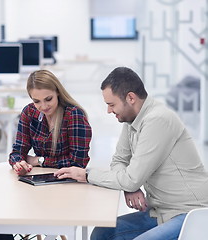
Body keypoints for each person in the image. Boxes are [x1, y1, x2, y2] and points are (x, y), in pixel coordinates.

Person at [54, 67, 208, 240]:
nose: (109, 111)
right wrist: (130, 186)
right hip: (160, 212)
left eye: (111, 105)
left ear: (131, 98)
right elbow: (119, 161)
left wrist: (87, 175)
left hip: (191, 213)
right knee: (102, 234)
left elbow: (131, 178)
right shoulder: (132, 120)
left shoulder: (158, 120)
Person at [9, 69, 92, 175]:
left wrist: (39, 161)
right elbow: (17, 152)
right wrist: (19, 163)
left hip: (68, 181)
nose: (43, 106)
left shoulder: (74, 115)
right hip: (40, 178)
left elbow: (78, 163)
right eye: (37, 101)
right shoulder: (29, 112)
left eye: (48, 99)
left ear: (57, 92)